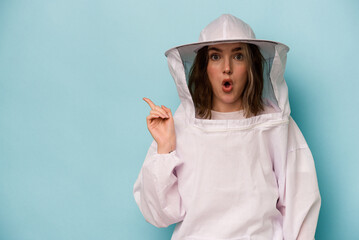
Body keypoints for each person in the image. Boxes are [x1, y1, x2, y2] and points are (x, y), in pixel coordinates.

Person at [133, 14, 321, 240]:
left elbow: (300, 200)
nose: (227, 68)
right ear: (204, 67)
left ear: (251, 65)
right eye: (215, 56)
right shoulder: (180, 125)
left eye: (238, 56)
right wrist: (164, 148)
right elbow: (158, 215)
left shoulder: (274, 122)